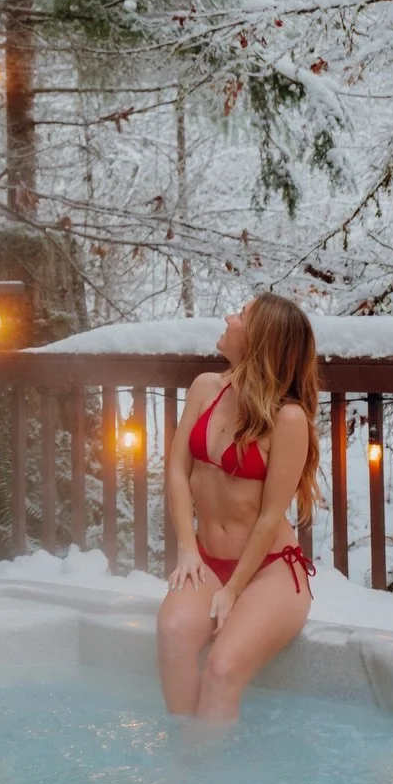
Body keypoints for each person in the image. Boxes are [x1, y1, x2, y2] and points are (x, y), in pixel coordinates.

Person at [156, 293, 320, 721]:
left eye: (241, 315)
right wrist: (188, 550)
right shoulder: (205, 388)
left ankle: (207, 779)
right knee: (174, 633)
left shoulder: (288, 419)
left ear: (260, 340)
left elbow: (270, 516)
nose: (228, 317)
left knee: (222, 668)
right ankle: (185, 759)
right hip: (207, 561)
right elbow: (176, 471)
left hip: (268, 569)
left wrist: (233, 590)